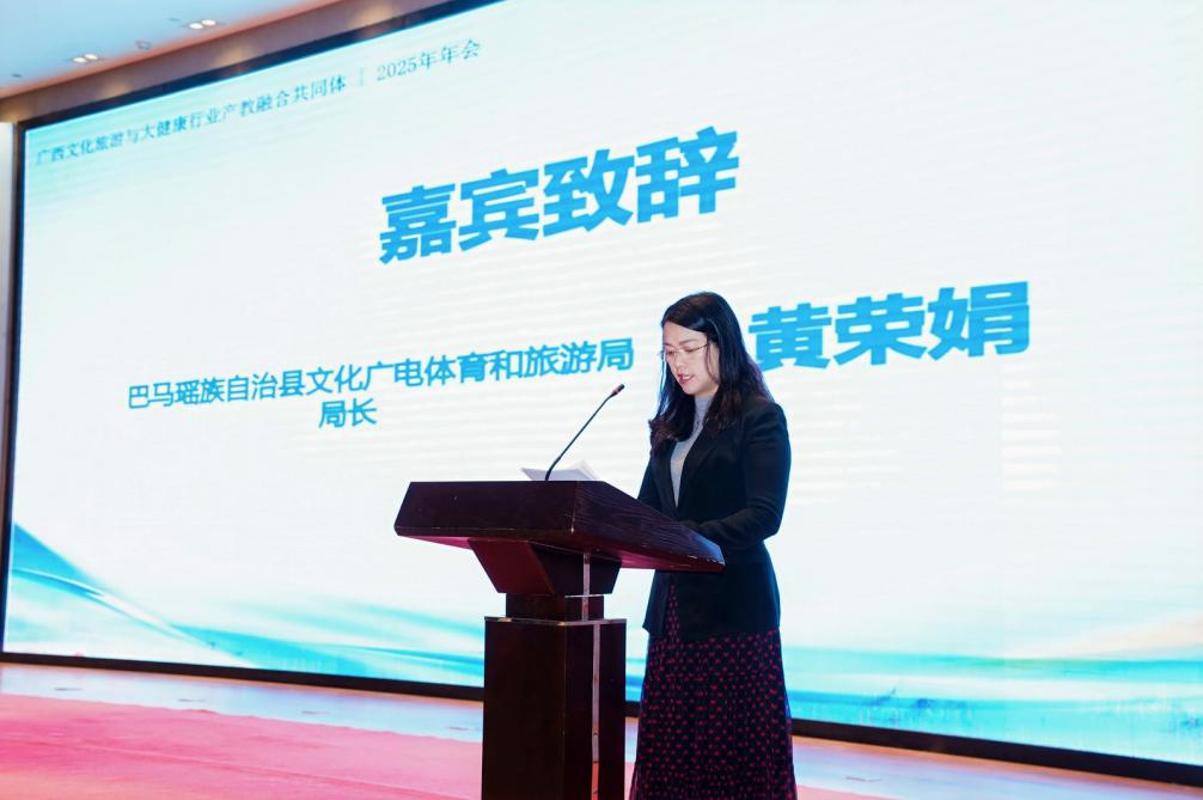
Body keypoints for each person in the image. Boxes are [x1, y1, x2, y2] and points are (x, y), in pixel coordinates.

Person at [630, 291, 797, 799]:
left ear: (722, 343)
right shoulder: (670, 426)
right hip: (673, 610)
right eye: (668, 352)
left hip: (732, 611)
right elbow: (646, 512)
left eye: (689, 348)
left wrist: (687, 539)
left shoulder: (759, 417)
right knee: (673, 750)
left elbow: (764, 515)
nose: (678, 363)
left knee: (729, 753)